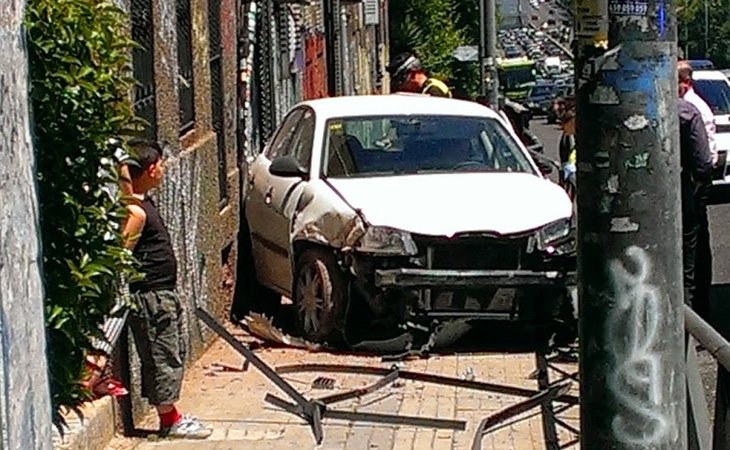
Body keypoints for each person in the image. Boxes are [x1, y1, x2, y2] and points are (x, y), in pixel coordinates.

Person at [123, 139, 212, 439]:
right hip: (151, 297)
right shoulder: (136, 212)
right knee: (162, 357)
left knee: (170, 353)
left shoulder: (141, 201)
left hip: (162, 294)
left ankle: (171, 416)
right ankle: (170, 421)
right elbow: (122, 252)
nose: (162, 170)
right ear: (150, 169)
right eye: (159, 165)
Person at [679, 61, 715, 320]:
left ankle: (696, 310)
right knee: (693, 251)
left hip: (690, 187)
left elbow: (706, 158)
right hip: (688, 186)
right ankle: (695, 311)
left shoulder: (694, 109)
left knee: (695, 251)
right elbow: (703, 160)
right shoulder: (687, 110)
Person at [387, 52, 452, 98]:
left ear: (413, 74)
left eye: (401, 81)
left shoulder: (435, 90)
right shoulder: (424, 89)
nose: (401, 87)